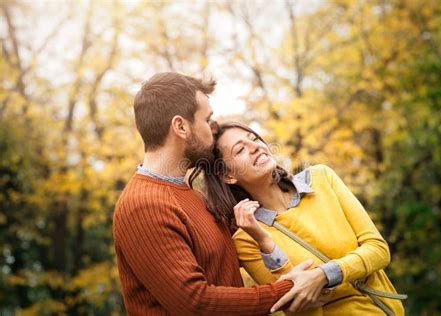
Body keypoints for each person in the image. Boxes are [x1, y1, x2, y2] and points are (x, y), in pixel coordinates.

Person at [113, 72, 333, 315]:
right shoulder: (143, 205)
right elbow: (195, 303)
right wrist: (289, 289)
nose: (213, 128)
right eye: (207, 120)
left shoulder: (192, 197)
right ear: (181, 126)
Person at [193, 121, 405, 315]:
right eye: (240, 149)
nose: (255, 146)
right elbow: (298, 308)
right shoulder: (247, 239)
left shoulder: (322, 178)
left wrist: (323, 275)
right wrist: (266, 243)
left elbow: (378, 250)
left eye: (254, 139)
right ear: (228, 176)